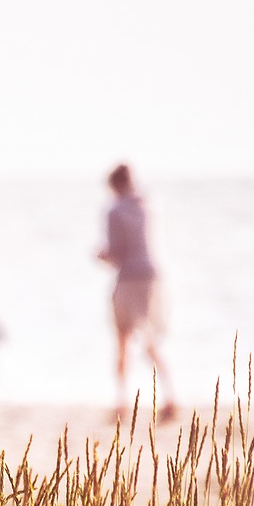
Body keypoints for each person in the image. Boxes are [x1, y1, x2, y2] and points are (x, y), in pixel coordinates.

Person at [97, 163, 175, 420]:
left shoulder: (115, 210)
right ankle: (170, 396)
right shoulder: (149, 205)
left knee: (122, 339)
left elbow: (116, 254)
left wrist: (101, 256)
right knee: (151, 340)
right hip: (154, 275)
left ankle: (121, 402)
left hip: (129, 277)